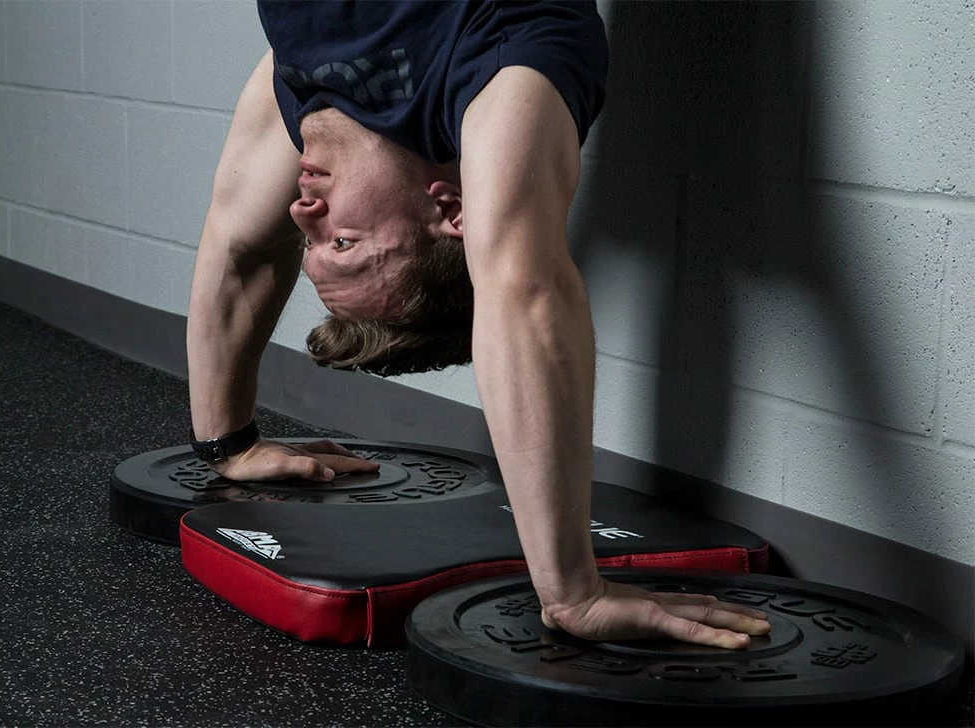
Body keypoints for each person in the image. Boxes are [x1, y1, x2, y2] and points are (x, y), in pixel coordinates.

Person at [187, 1, 771, 648]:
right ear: (453, 211)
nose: (301, 212)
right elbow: (523, 287)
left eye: (310, 243)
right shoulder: (505, 60)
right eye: (344, 240)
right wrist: (572, 590)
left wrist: (228, 443)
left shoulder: (316, 103)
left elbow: (241, 250)